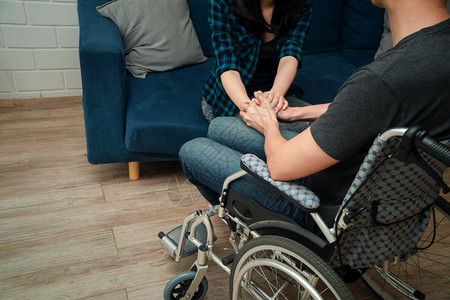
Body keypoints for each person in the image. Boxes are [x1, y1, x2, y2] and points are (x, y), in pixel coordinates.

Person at [180, 0, 450, 229]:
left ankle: (239, 210)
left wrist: (270, 125)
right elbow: (365, 109)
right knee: (220, 128)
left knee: (193, 149)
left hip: (322, 206)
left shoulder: (378, 81)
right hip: (372, 191)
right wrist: (296, 113)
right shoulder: (430, 59)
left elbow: (281, 165)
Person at [202, 0, 313, 132]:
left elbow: (290, 55)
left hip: (275, 93)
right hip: (230, 99)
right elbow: (227, 65)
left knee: (323, 128)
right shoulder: (222, 3)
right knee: (277, 133)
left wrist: (274, 97)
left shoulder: (301, 5)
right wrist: (250, 109)